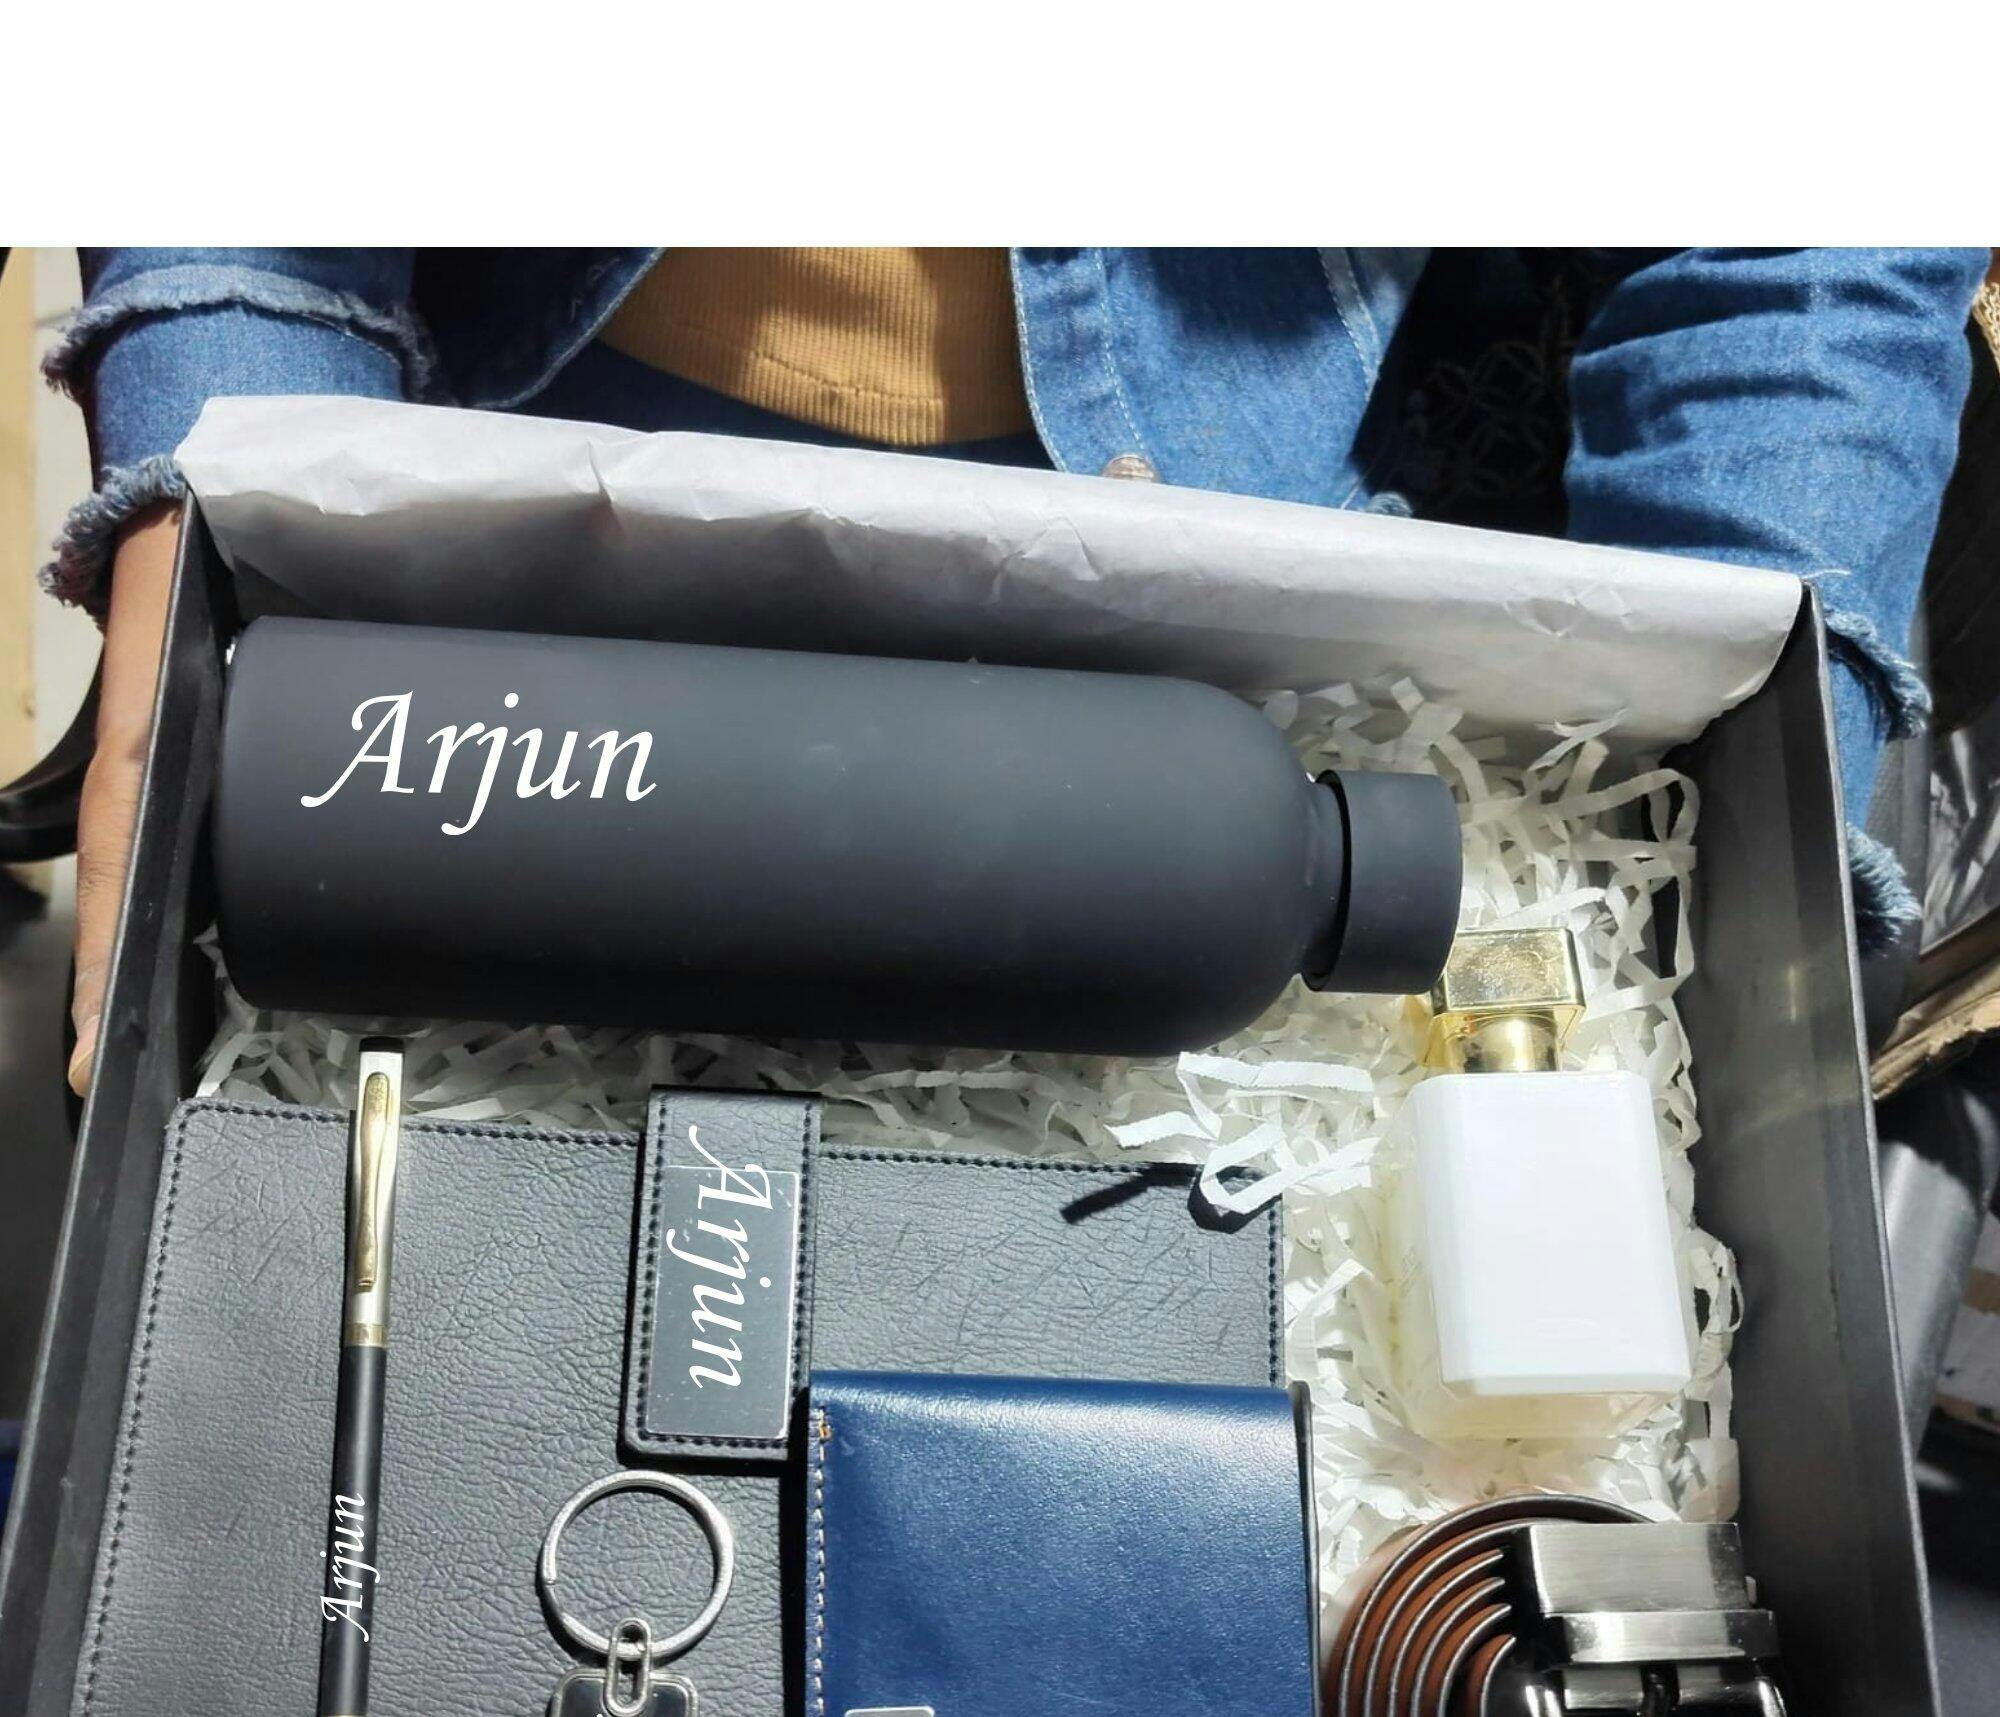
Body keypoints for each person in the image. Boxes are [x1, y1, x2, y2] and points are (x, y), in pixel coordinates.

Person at [45, 246, 1987, 1092]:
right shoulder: (1223, 855)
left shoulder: (1220, 839)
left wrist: (1742, 796)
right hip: (502, 455)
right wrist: (240, 446)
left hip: (1244, 526)